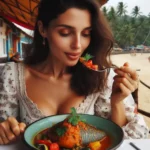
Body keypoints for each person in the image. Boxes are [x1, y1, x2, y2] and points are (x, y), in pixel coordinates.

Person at [0, 0, 149, 145]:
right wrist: (6, 131)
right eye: (65, 33)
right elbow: (6, 133)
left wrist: (116, 102)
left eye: (85, 34)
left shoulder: (103, 77)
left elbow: (124, 141)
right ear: (43, 29)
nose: (78, 45)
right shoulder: (13, 76)